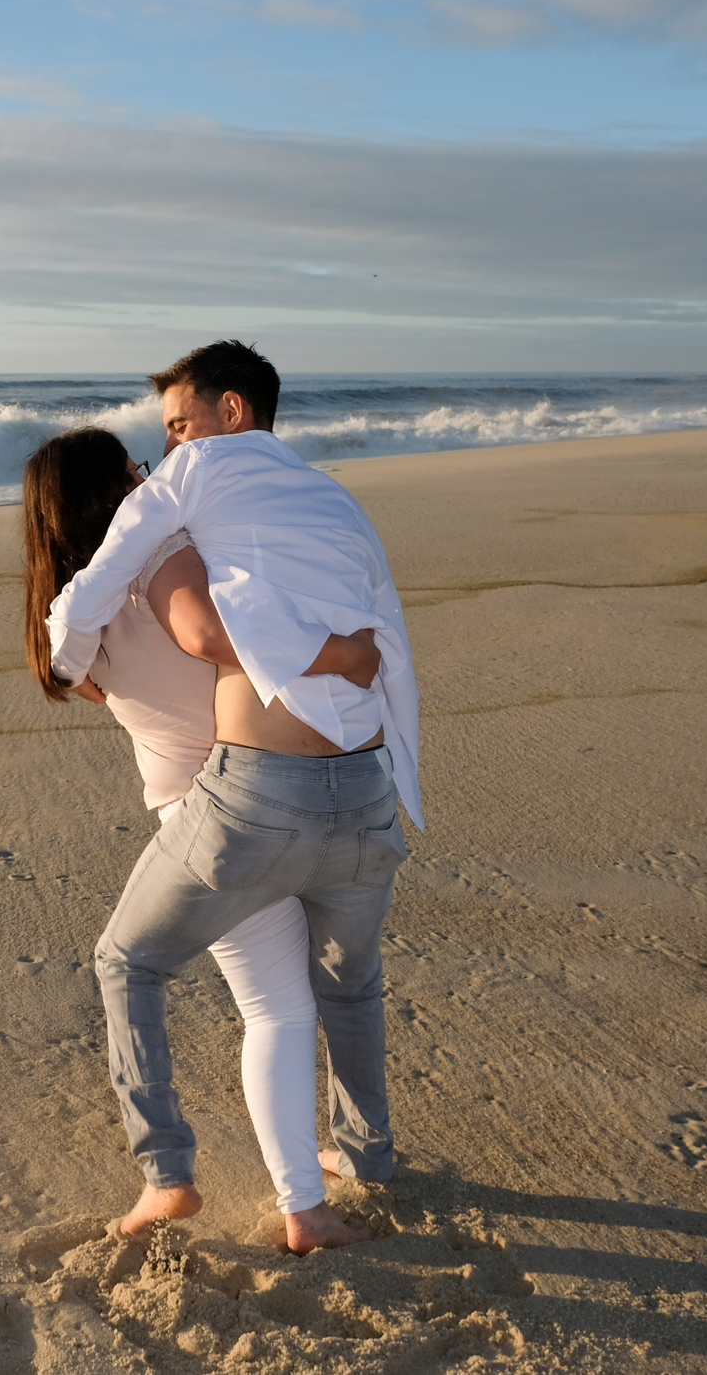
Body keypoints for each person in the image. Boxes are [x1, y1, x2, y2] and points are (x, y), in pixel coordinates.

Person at [47, 342, 421, 1239]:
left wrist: (64, 643)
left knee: (157, 970)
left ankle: (180, 1175)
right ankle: (354, 1161)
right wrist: (356, 673)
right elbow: (369, 629)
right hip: (353, 785)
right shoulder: (284, 513)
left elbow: (188, 641)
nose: (163, 459)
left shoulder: (111, 588)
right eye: (146, 456)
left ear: (232, 412)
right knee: (340, 988)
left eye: (176, 431)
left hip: (238, 807)